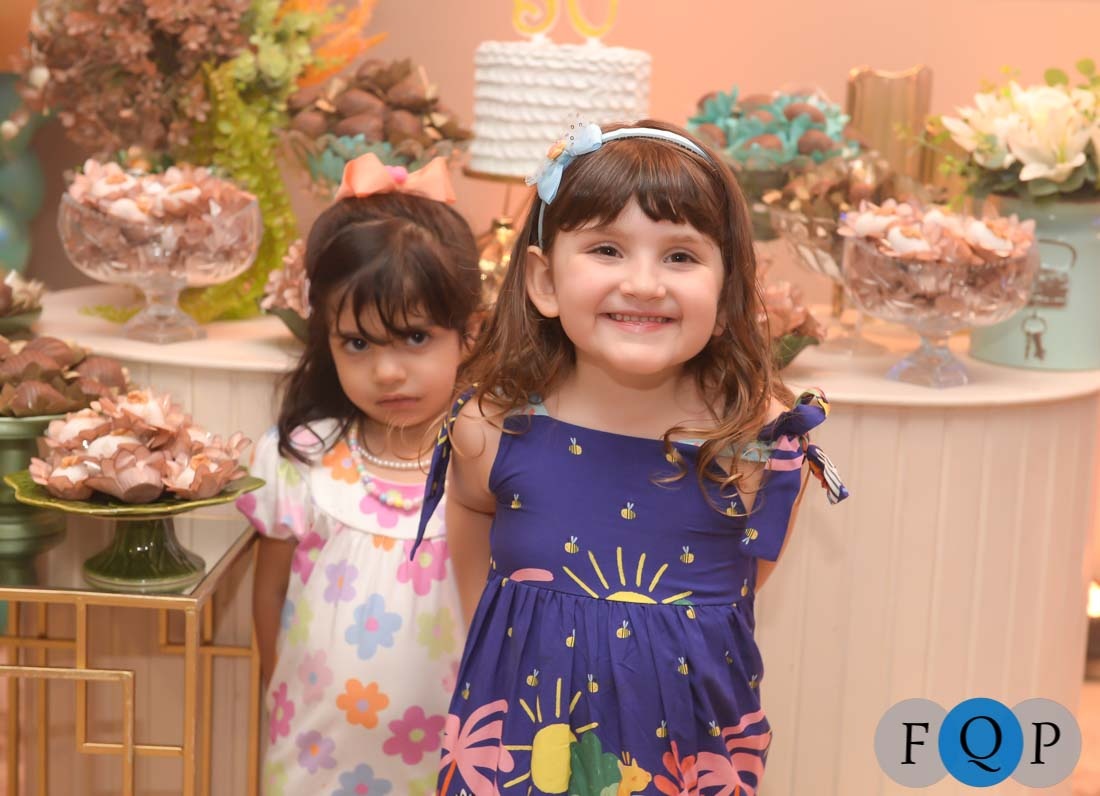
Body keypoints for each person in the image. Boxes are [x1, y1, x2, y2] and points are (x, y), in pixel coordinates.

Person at [415, 120, 849, 794]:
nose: (644, 283)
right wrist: (494, 626)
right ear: (544, 280)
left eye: (680, 256)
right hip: (519, 751)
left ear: (728, 291)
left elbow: (738, 586)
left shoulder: (758, 442)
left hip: (686, 756)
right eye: (607, 249)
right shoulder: (493, 426)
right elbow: (470, 510)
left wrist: (647, 637)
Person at [239, 153, 481, 794]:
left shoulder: (490, 460)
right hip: (315, 753)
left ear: (469, 333)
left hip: (457, 753)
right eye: (358, 343)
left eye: (415, 338)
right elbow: (270, 592)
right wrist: (278, 692)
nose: (388, 372)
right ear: (326, 338)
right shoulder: (301, 457)